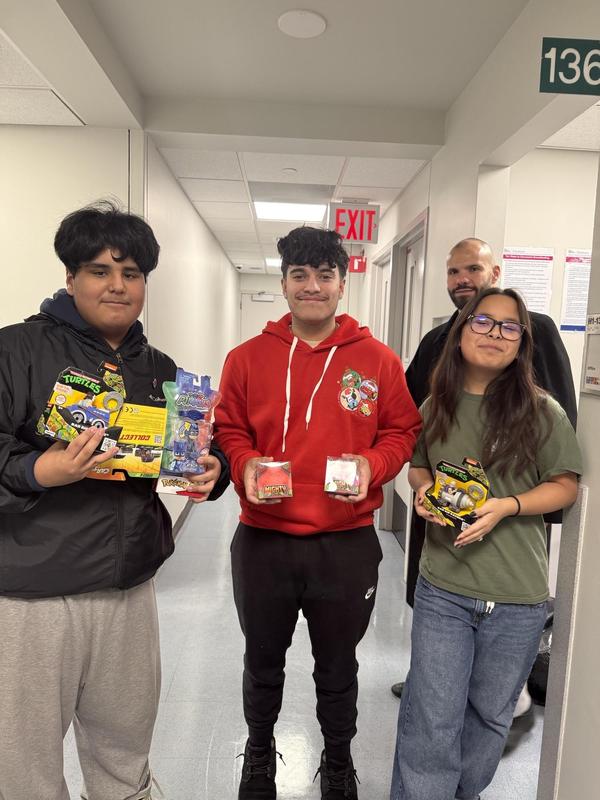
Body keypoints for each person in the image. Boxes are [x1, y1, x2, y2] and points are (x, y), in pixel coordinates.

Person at [0, 201, 229, 800]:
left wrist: (213, 469)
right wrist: (39, 469)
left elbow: (204, 446)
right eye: (100, 271)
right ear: (70, 277)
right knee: (23, 763)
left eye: (131, 274)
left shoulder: (157, 370)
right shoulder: (16, 351)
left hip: (128, 586)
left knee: (124, 749)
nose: (117, 286)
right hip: (34, 594)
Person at [214, 226, 421, 800]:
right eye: (300, 276)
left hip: (345, 542)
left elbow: (402, 430)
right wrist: (245, 460)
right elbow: (228, 428)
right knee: (263, 662)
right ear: (283, 284)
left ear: (341, 283)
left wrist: (374, 465)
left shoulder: (377, 361)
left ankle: (338, 762)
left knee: (338, 667)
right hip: (264, 540)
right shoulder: (247, 359)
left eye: (324, 275)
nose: (312, 287)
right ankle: (259, 757)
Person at [390, 287, 582, 800]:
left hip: (517, 598)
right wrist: (426, 490)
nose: (495, 334)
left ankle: (463, 793)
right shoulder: (438, 403)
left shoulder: (542, 412)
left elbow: (565, 485)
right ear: (461, 331)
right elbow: (418, 465)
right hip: (444, 589)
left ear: (522, 342)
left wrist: (507, 505)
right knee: (432, 717)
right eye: (483, 322)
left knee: (490, 719)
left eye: (509, 327)